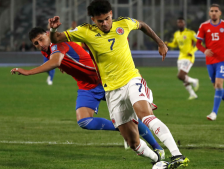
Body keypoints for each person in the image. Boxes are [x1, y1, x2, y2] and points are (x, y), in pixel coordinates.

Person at [48, 0, 189, 168]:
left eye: (107, 18)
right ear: (93, 19)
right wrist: (53, 29)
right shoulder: (85, 31)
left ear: (111, 14)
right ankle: (158, 160)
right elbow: (56, 38)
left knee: (146, 115)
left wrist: (159, 42)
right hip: (112, 91)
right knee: (132, 141)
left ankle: (177, 155)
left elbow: (142, 25)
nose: (105, 23)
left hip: (131, 80)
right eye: (100, 21)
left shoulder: (123, 23)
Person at [10, 27, 165, 158]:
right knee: (84, 121)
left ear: (47, 34)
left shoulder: (58, 42)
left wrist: (28, 72)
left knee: (136, 115)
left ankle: (157, 148)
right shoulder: (47, 50)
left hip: (104, 81)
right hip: (86, 86)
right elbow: (61, 60)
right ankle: (122, 127)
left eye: (41, 39)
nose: (39, 44)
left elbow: (56, 61)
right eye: (36, 43)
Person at [196, 4, 224, 121]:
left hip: (223, 60)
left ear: (220, 13)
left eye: (216, 11)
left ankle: (214, 113)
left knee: (218, 85)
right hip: (210, 61)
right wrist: (204, 50)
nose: (214, 13)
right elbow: (198, 44)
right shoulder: (204, 26)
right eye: (212, 11)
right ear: (209, 13)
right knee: (216, 86)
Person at [165, 17, 199, 100]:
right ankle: (192, 94)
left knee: (180, 75)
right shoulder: (176, 34)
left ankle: (195, 81)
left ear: (184, 23)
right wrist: (168, 44)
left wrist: (192, 51)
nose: (180, 24)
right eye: (178, 23)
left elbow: (199, 43)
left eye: (181, 22)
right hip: (180, 57)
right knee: (183, 78)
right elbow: (174, 44)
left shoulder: (190, 33)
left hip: (188, 57)